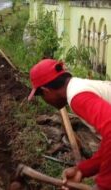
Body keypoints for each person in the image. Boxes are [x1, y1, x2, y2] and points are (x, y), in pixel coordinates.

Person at [28, 59, 111, 190]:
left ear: (46, 90)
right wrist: (82, 170)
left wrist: (104, 185)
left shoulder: (78, 97)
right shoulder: (80, 87)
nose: (45, 101)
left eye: (41, 96)